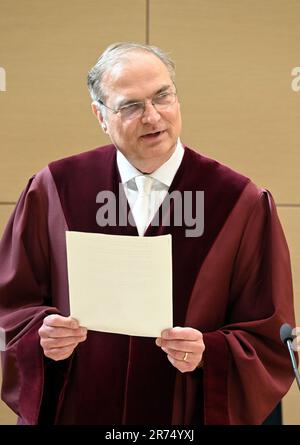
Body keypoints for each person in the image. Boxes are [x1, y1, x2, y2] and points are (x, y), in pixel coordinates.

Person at [0, 42, 297, 425]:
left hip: (183, 418)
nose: (153, 116)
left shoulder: (239, 202)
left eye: (163, 96)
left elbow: (270, 335)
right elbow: (11, 307)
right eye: (131, 106)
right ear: (101, 116)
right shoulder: (55, 189)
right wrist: (42, 337)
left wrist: (211, 351)